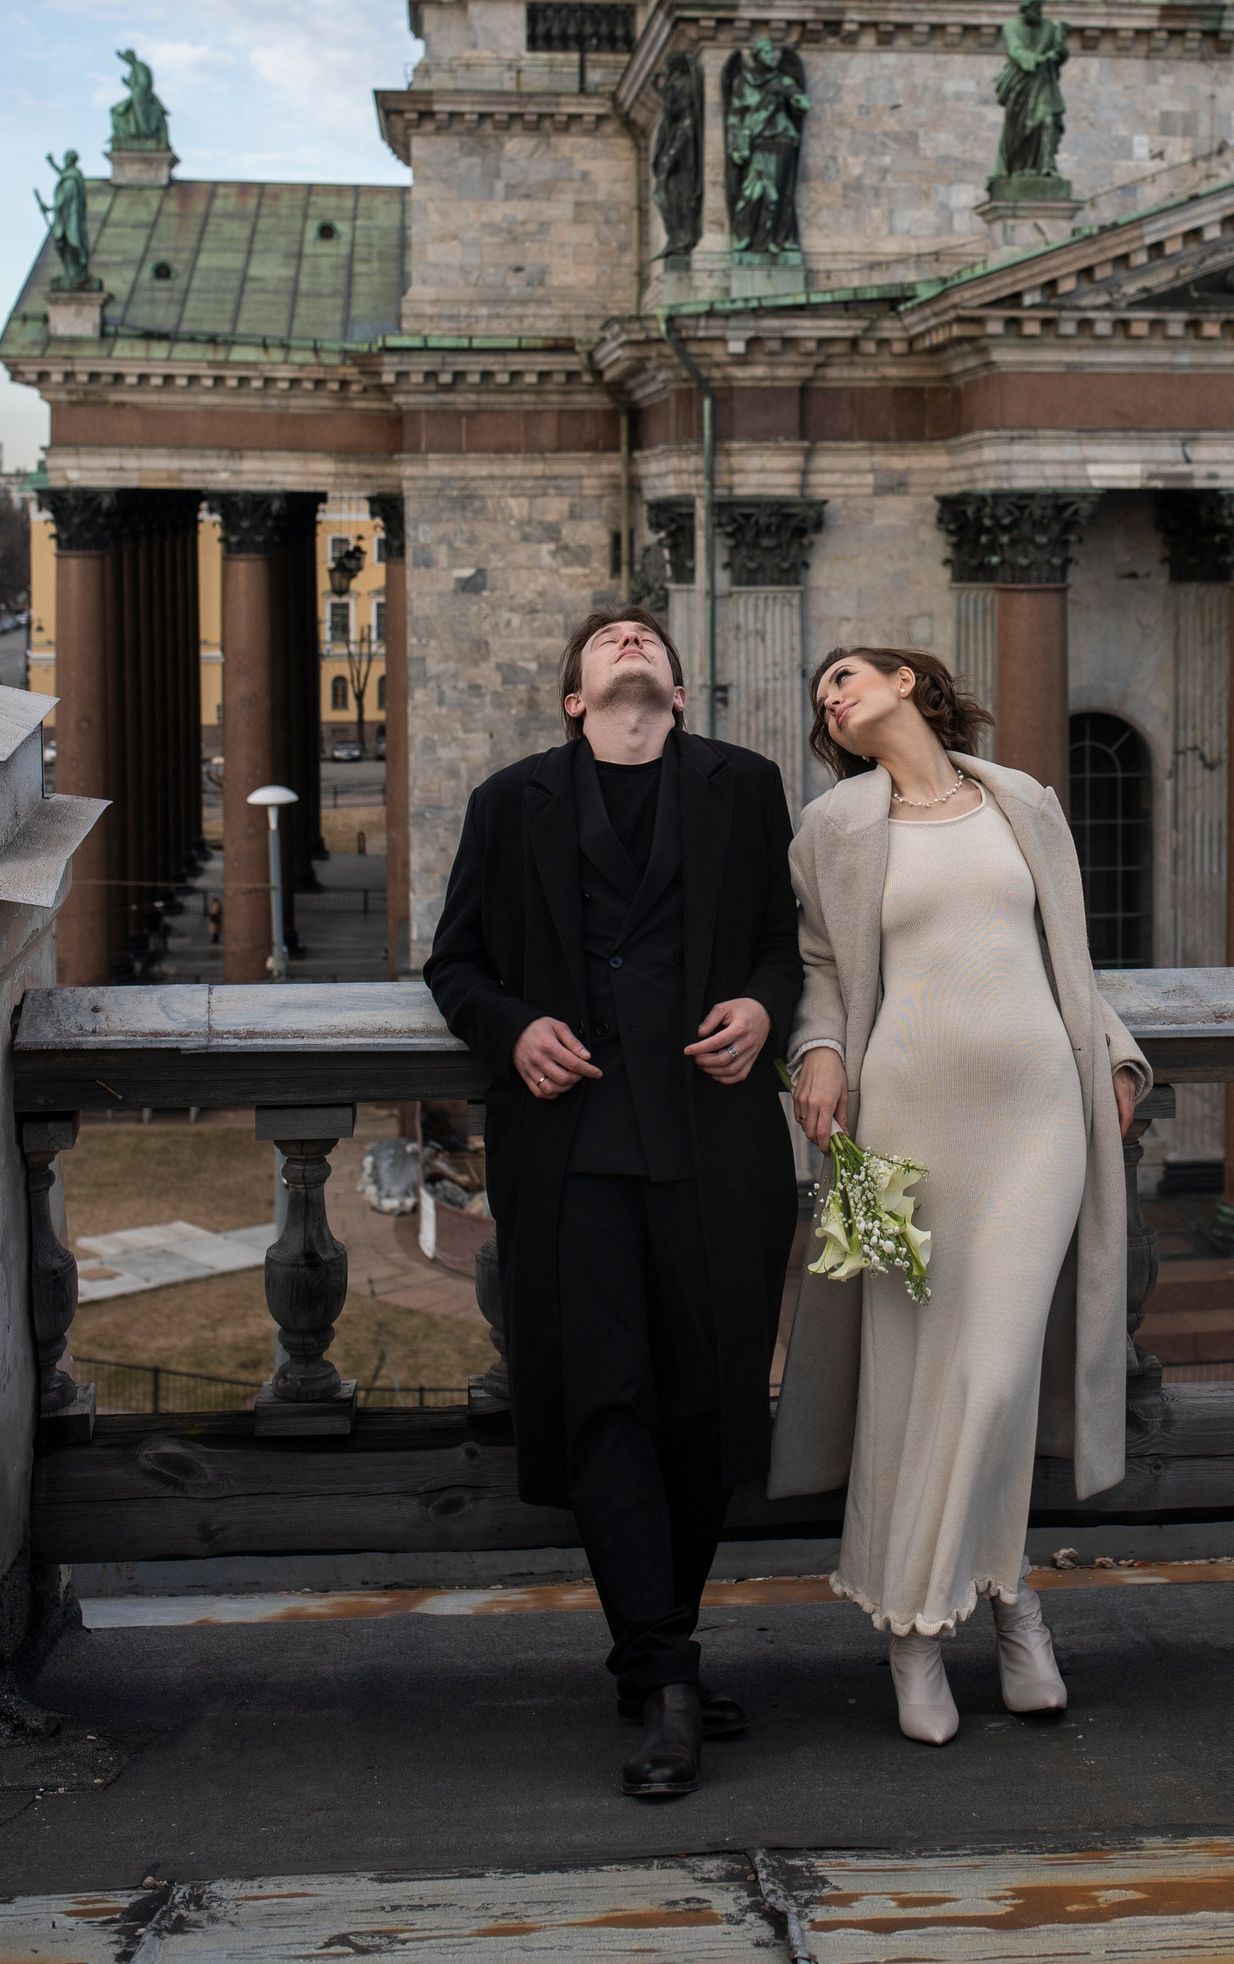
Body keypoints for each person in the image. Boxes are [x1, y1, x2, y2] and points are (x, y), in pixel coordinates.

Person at [425, 609, 802, 1801]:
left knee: (706, 1410)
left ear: (678, 693)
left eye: (648, 638)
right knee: (604, 1407)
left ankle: (654, 1655)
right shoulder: (509, 802)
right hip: (573, 1152)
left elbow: (784, 944)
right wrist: (513, 1028)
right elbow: (454, 964)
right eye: (608, 641)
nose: (631, 640)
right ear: (575, 700)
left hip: (716, 1146)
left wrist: (763, 1007)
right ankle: (670, 1677)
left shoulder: (747, 786)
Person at [770, 648, 1150, 1745]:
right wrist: (820, 1049)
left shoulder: (1023, 800)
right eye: (823, 696)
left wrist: (1118, 1052)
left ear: (908, 682)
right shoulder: (833, 826)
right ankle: (956, 1622)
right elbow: (818, 968)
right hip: (899, 1130)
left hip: (1039, 1117)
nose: (832, 694)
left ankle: (958, 1605)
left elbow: (1066, 955)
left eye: (848, 674)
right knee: (908, 1385)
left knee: (994, 1374)